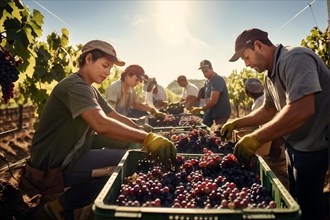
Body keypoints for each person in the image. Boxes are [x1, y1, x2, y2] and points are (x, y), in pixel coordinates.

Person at [26, 40, 176, 219]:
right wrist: (147, 138)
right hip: (55, 166)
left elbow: (115, 117)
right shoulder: (75, 86)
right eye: (105, 65)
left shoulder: (90, 90)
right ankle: (56, 207)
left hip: (76, 151)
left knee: (130, 155)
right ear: (88, 59)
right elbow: (101, 124)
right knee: (121, 170)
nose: (108, 72)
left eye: (111, 68)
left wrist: (143, 131)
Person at [222, 28, 329, 220]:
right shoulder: (269, 74)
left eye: (246, 57)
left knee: (309, 207)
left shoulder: (295, 58)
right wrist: (238, 122)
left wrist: (257, 137)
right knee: (297, 198)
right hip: (295, 144)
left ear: (258, 45)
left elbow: (302, 108)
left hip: (315, 145)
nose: (246, 64)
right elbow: (269, 109)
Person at [190, 60, 231, 128]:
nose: (205, 74)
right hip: (210, 111)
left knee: (219, 132)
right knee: (202, 128)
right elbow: (204, 95)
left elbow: (213, 101)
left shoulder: (218, 80)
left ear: (211, 68)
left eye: (206, 71)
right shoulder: (206, 82)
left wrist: (200, 109)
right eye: (203, 72)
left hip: (221, 112)